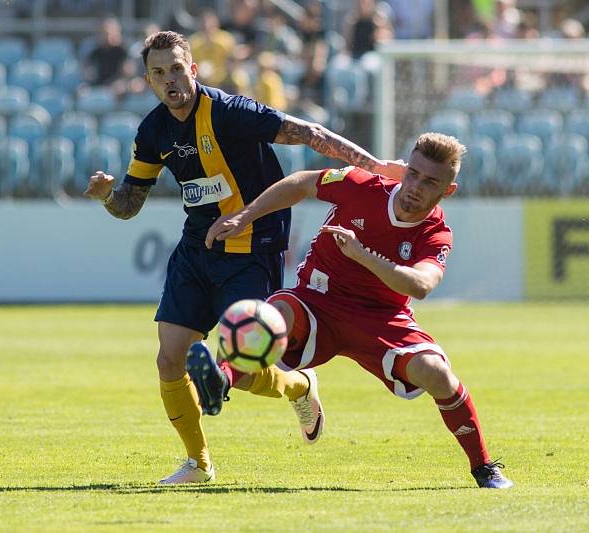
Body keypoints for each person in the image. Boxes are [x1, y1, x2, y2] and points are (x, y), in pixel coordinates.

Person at [83, 30, 405, 485]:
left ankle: (300, 386)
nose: (170, 80)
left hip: (254, 249)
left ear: (193, 68)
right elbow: (129, 204)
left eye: (177, 68)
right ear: (148, 80)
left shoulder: (230, 112)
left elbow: (309, 133)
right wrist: (105, 197)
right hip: (197, 249)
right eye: (159, 73)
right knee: (168, 360)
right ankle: (199, 464)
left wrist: (376, 168)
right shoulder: (153, 130)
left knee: (247, 367)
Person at [203, 132, 514, 489]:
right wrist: (246, 216)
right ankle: (221, 379)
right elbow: (302, 183)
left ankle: (483, 467)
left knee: (437, 374)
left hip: (381, 318)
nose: (416, 186)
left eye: (430, 182)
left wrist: (362, 255)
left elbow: (421, 285)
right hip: (317, 300)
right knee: (271, 317)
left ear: (448, 190)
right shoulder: (360, 184)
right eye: (412, 173)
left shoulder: (436, 232)